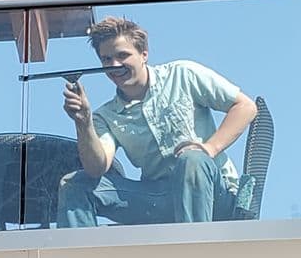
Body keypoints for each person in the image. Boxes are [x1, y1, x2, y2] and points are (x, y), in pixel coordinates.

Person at [57, 16, 257, 228]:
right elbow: (97, 168)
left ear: (144, 54)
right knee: (75, 184)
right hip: (159, 200)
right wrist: (83, 123)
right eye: (106, 59)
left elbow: (245, 107)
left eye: (122, 55)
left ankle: (197, 253)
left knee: (192, 160)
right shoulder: (105, 116)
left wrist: (209, 148)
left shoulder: (183, 74)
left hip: (214, 195)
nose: (114, 65)